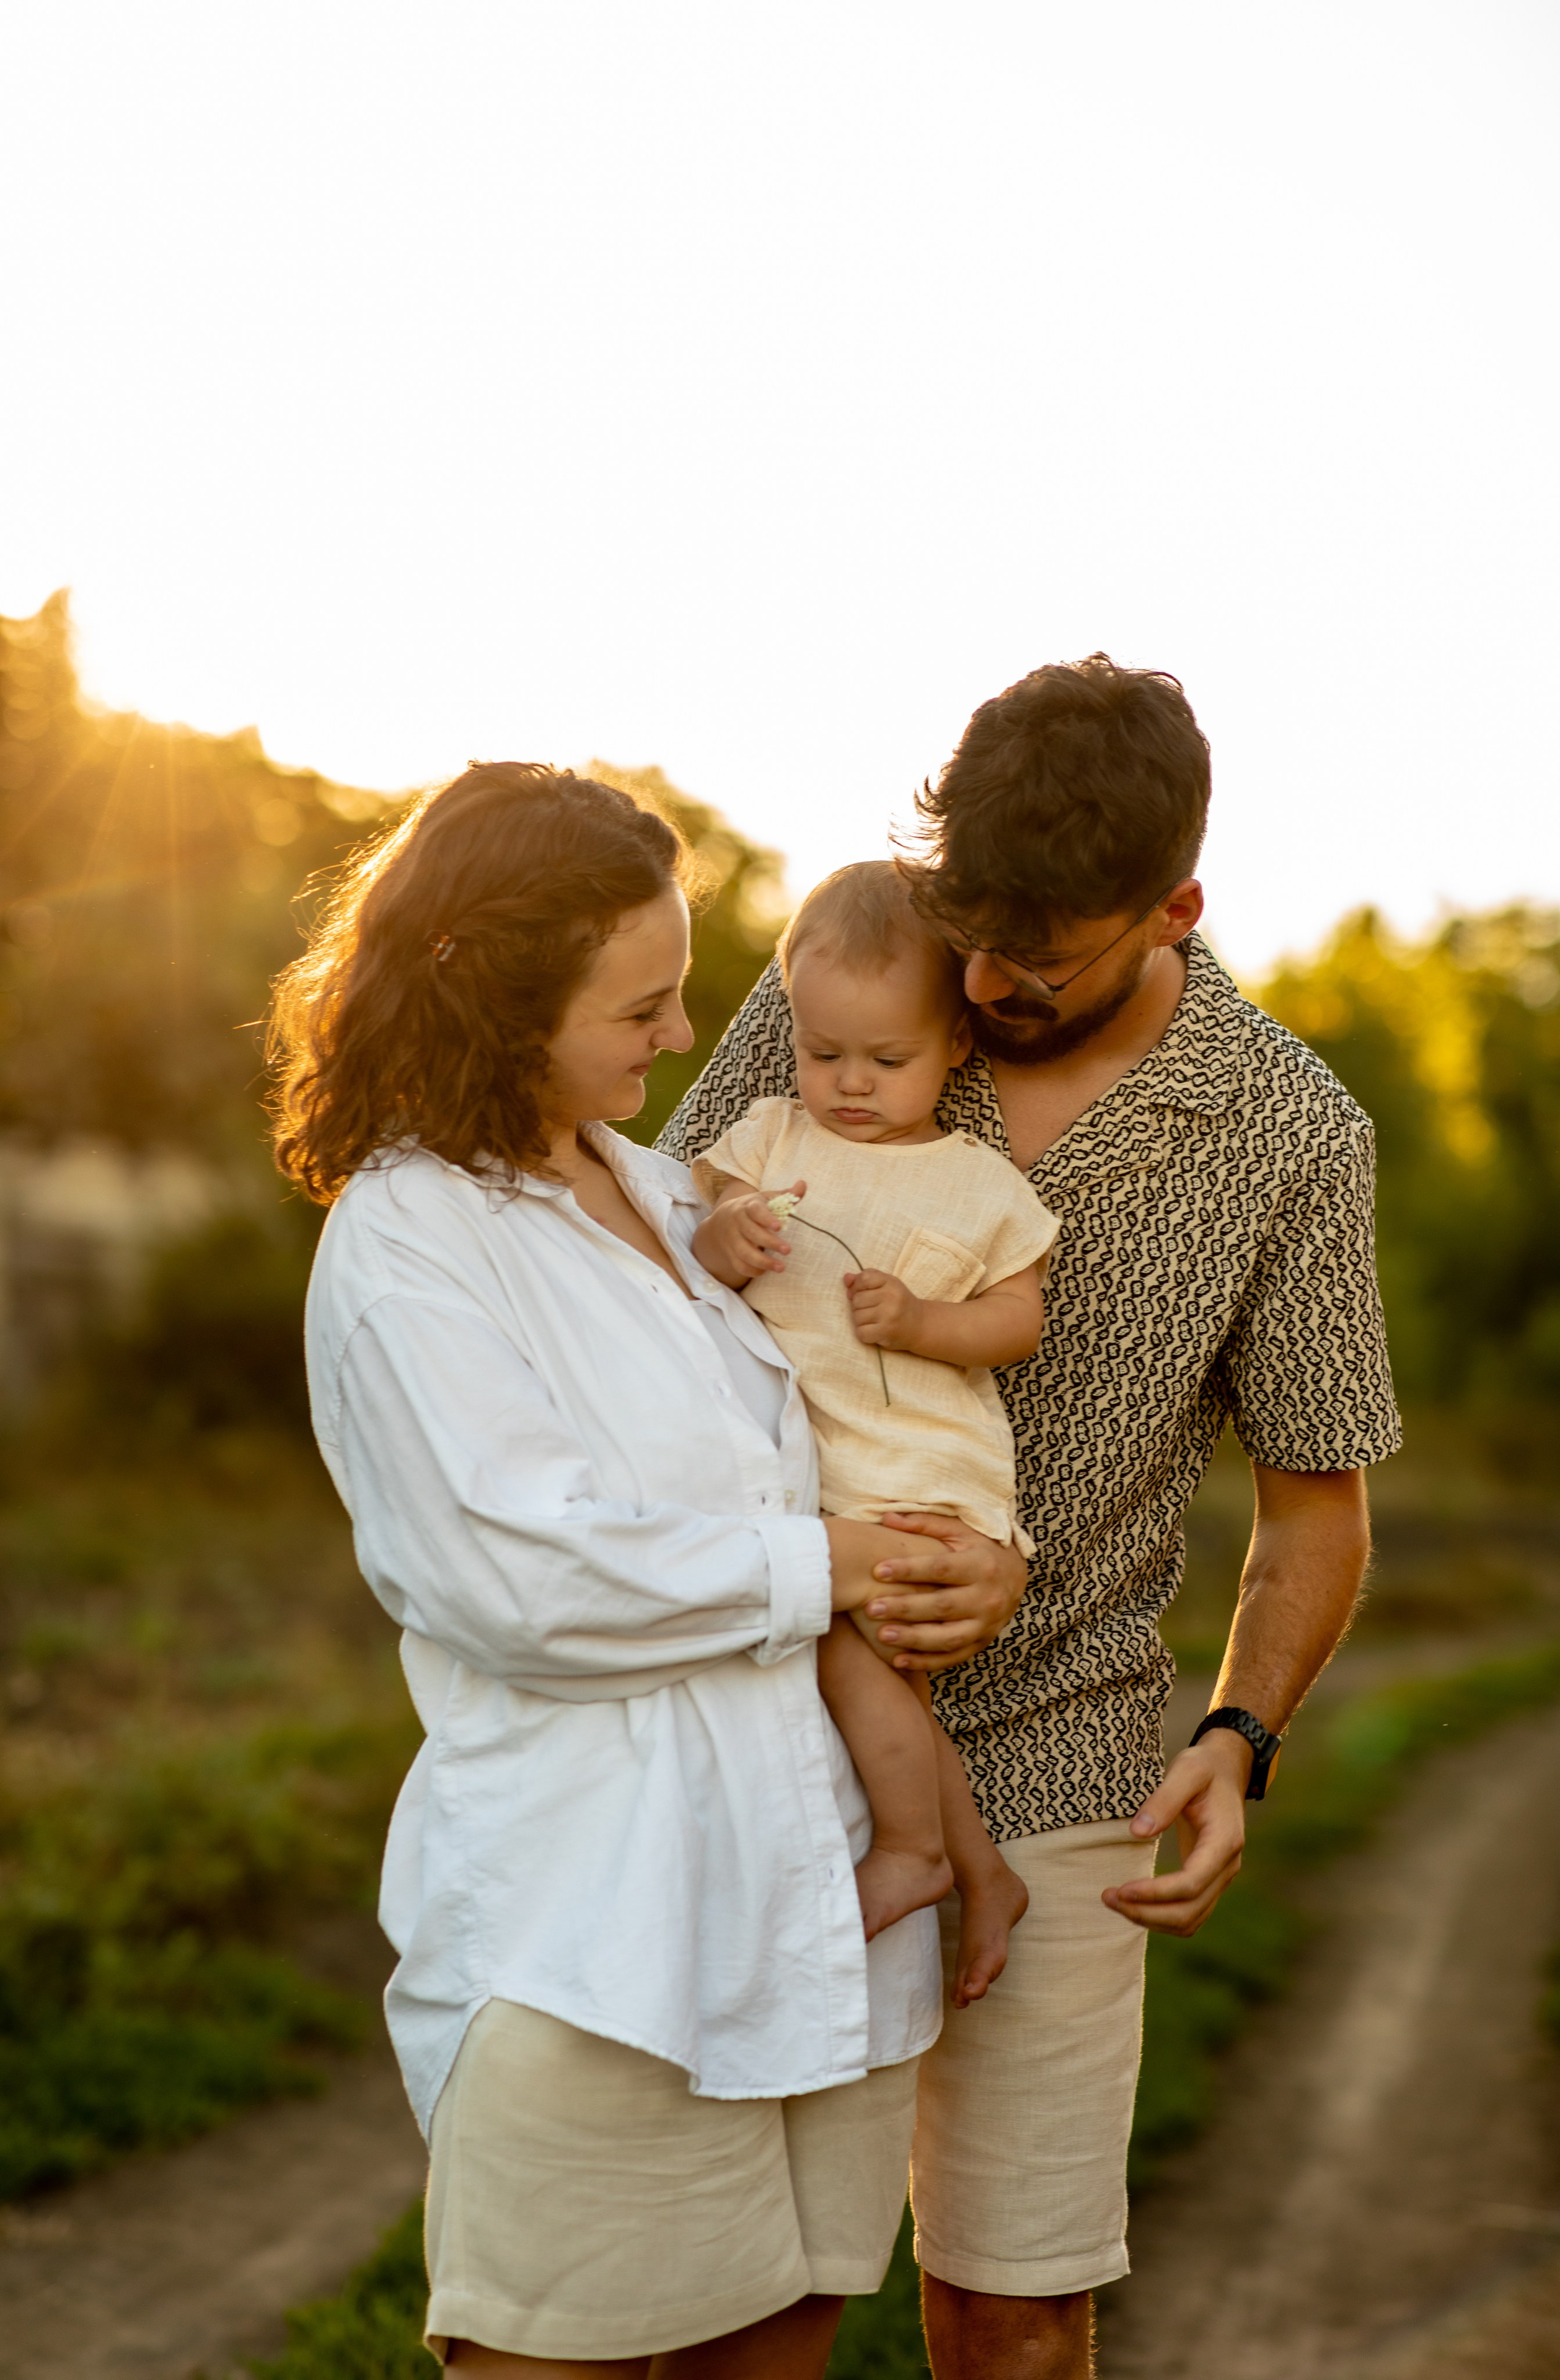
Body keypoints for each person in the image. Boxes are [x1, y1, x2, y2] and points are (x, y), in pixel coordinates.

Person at [659, 656, 1401, 2380]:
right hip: (766, 1725)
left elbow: (1317, 1504)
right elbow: (657, 1279)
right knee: (746, 2301)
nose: (982, 982)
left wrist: (1240, 1736)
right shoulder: (854, 972)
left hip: (1067, 1766)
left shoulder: (1290, 1133)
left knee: (1012, 2311)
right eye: (968, 929)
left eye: (1036, 957)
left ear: (1178, 908)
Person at [267, 762, 1027, 2378]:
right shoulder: (411, 1240)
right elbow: (524, 1578)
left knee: (778, 2348)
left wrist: (963, 1591)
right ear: (489, 986)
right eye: (644, 1004)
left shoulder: (685, 1198)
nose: (683, 1042)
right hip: (595, 1931)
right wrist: (836, 1562)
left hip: (819, 1906)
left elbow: (864, 1441)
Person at [691, 862, 1058, 2006]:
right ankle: (982, 1871)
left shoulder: (978, 1185)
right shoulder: (764, 1138)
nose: (848, 1084)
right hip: (813, 1469)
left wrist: (925, 1320)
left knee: (850, 1651)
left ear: (955, 1043)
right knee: (878, 1674)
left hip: (915, 1472)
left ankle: (918, 1851)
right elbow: (687, 1232)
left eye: (885, 1060)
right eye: (821, 1051)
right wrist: (725, 1239)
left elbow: (1022, 1319)